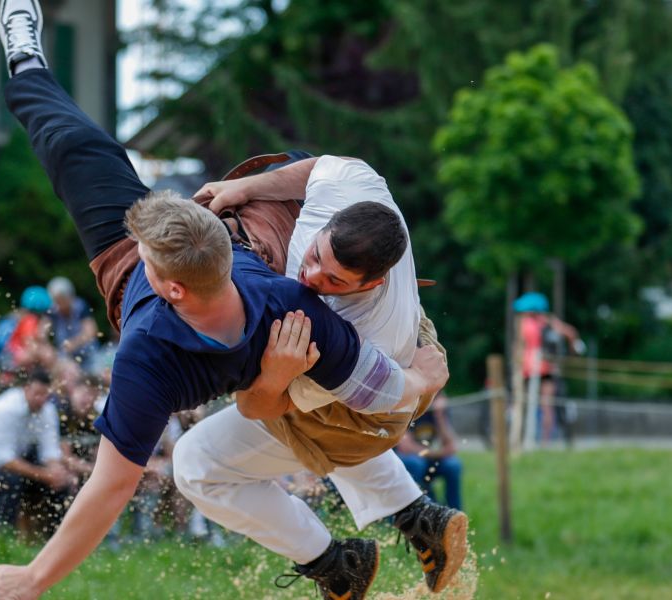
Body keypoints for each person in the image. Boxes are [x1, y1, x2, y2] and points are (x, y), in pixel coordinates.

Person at [0, 5, 446, 599]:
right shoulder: (288, 301)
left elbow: (111, 486)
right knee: (77, 141)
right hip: (213, 238)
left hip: (170, 255)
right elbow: (379, 385)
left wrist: (35, 577)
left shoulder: (148, 359)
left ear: (167, 286)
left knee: (66, 141)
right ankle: (27, 53)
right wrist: (421, 380)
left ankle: (370, 540)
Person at [182, 154, 470, 593]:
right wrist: (245, 189)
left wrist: (277, 374)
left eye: (336, 280)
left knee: (195, 464)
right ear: (331, 221)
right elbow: (323, 165)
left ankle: (334, 563)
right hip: (397, 357)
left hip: (370, 403)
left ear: (370, 284)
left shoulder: (342, 333)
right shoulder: (351, 187)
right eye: (316, 255)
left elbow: (260, 404)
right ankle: (419, 517)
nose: (312, 277)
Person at [0, 368, 72, 531]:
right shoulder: (3, 409)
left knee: (62, 483)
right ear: (25, 389)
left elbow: (49, 449)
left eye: (46, 395)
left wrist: (56, 472)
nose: (41, 399)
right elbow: (4, 459)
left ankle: (56, 534)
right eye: (37, 393)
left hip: (9, 461)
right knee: (13, 480)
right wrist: (45, 475)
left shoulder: (47, 409)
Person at [514, 292, 580, 446]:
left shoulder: (524, 322)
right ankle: (545, 442)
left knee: (525, 404)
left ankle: (525, 440)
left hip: (528, 369)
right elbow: (571, 333)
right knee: (547, 406)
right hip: (547, 368)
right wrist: (572, 352)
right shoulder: (549, 322)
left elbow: (520, 346)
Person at [395, 393, 463, 510]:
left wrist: (440, 416)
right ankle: (428, 509)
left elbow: (452, 445)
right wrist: (437, 453)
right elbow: (406, 447)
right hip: (408, 459)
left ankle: (455, 514)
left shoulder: (438, 409)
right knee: (415, 464)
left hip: (427, 457)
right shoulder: (407, 401)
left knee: (453, 465)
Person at [46, 276, 99, 365]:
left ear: (69, 297)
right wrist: (48, 347)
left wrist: (73, 344)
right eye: (56, 301)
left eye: (61, 301)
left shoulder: (80, 306)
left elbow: (91, 331)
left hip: (88, 355)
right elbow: (42, 332)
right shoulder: (53, 311)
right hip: (66, 358)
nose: (59, 305)